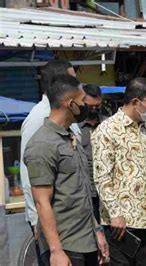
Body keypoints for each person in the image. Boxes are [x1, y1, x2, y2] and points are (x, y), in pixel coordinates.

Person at [23, 75, 108, 266]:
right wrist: (56, 251)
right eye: (83, 101)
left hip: (86, 241)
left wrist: (96, 231)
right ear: (71, 104)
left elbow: (81, 193)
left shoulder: (70, 137)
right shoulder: (42, 144)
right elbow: (41, 201)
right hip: (66, 246)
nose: (87, 105)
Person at [92, 77, 146, 265]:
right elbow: (102, 177)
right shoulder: (107, 130)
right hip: (121, 224)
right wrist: (115, 213)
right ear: (135, 102)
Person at [19, 60, 80, 265]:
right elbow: (30, 174)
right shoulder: (38, 118)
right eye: (73, 79)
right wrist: (37, 219)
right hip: (53, 221)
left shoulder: (68, 116)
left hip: (75, 219)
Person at [79, 84, 103, 223]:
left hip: (106, 190)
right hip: (86, 191)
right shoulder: (75, 127)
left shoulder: (107, 124)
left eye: (97, 105)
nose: (94, 108)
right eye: (90, 105)